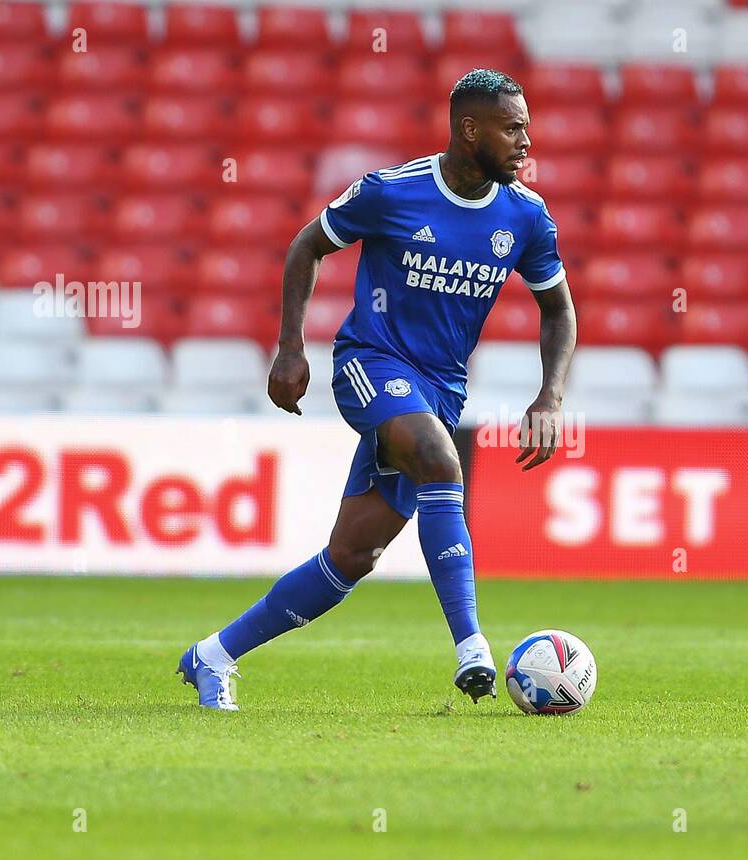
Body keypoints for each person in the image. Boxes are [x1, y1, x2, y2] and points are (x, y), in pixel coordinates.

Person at [177, 69, 577, 710]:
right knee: (442, 459)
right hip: (371, 363)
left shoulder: (526, 217)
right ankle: (471, 646)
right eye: (514, 128)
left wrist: (550, 396)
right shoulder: (393, 192)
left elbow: (557, 308)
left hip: (440, 390)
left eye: (526, 126)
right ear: (469, 129)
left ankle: (212, 656)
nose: (526, 140)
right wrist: (289, 348)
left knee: (352, 555)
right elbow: (307, 245)